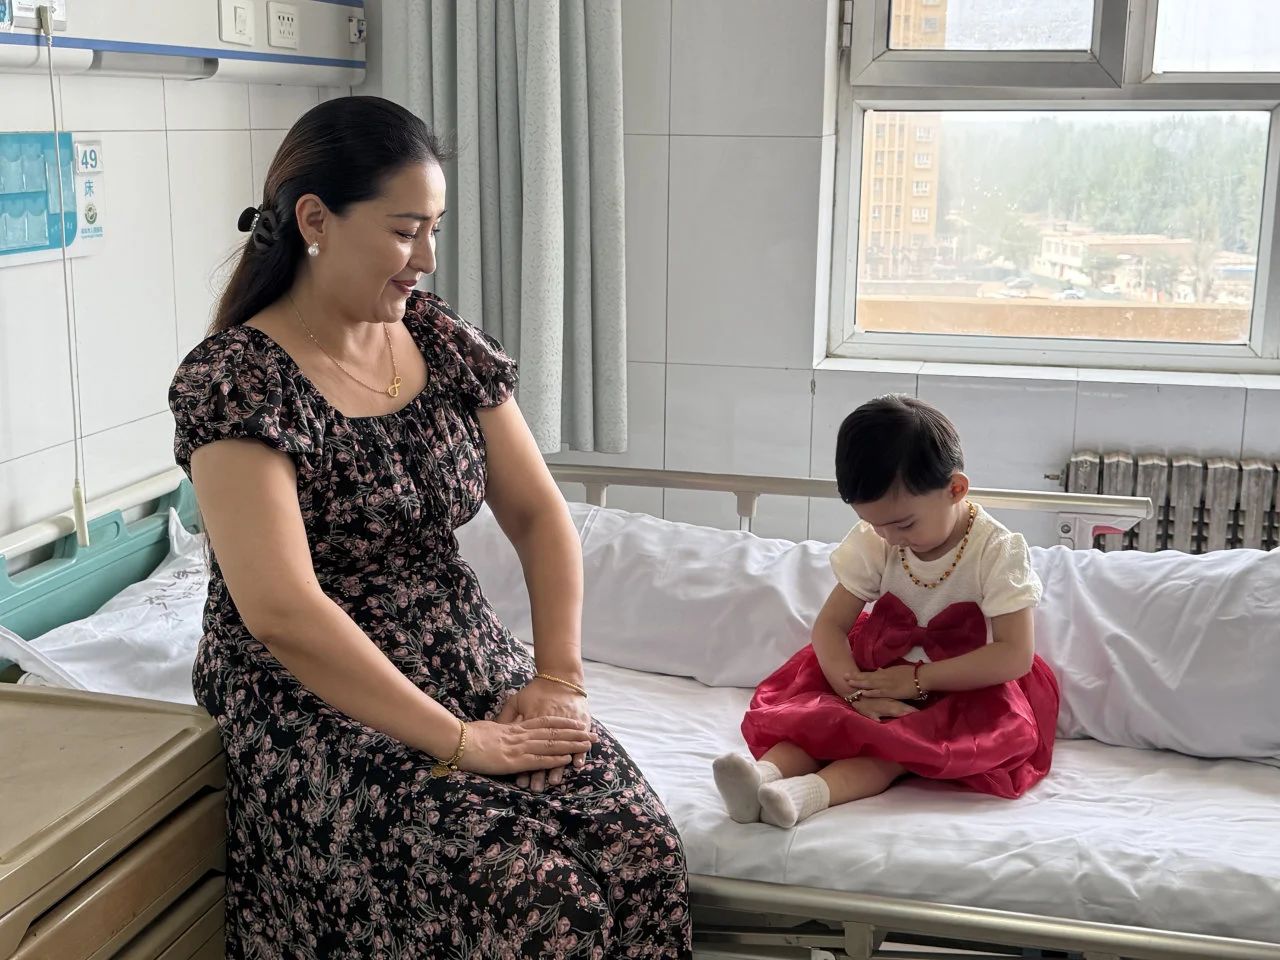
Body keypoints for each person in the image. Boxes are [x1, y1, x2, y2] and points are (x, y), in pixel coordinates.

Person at [169, 95, 691, 959]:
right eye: (405, 231)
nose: (427, 258)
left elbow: (538, 513)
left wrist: (558, 679)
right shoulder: (238, 382)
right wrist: (463, 743)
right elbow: (283, 610)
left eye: (434, 229)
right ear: (315, 221)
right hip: (314, 696)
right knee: (534, 901)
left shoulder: (438, 338)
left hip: (461, 658)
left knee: (639, 850)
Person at [713, 395, 1060, 828]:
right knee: (822, 723)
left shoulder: (996, 551)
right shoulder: (877, 540)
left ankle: (801, 797)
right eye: (876, 524)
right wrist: (854, 693)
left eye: (904, 524)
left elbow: (1014, 654)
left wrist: (917, 680)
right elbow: (830, 627)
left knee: (891, 749)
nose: (890, 538)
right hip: (875, 674)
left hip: (960, 685)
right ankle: (759, 778)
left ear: (955, 489)